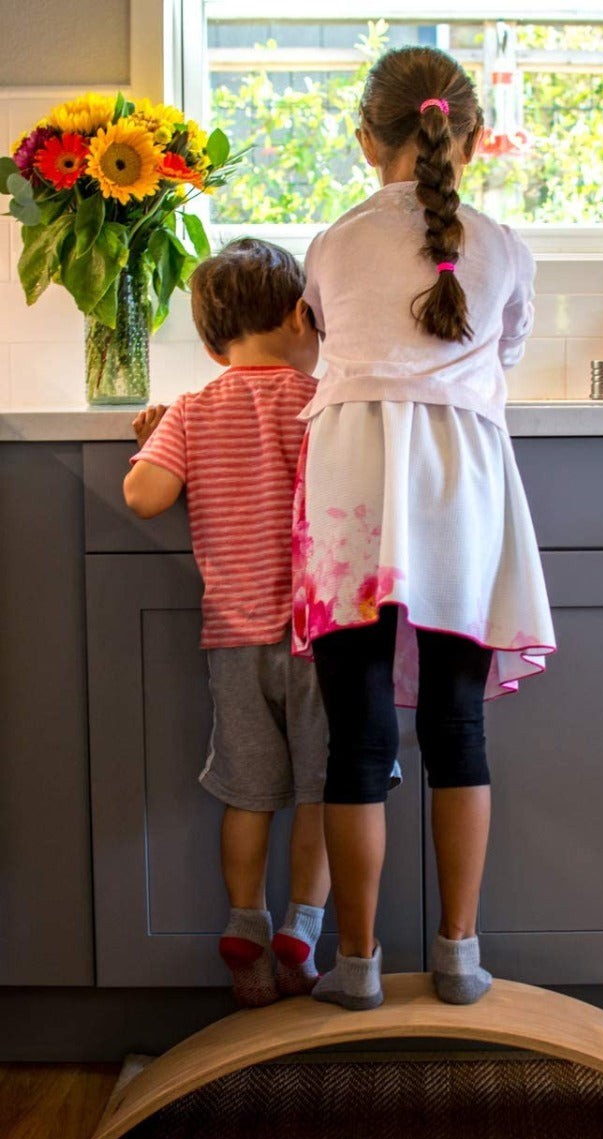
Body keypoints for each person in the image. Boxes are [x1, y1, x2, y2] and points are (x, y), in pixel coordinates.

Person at [292, 45, 556, 1013]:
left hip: (352, 493)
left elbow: (324, 337)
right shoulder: (501, 245)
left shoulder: (331, 240)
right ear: (472, 139)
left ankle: (355, 965)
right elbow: (507, 350)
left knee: (355, 739)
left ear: (367, 142)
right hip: (461, 495)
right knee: (458, 727)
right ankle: (457, 953)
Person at [123, 238, 331, 1008]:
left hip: (235, 640)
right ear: (299, 316)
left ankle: (246, 925)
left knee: (248, 794)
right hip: (317, 635)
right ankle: (303, 931)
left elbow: (145, 498)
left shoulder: (192, 409)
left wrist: (152, 442)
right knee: (322, 790)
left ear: (211, 343)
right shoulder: (320, 404)